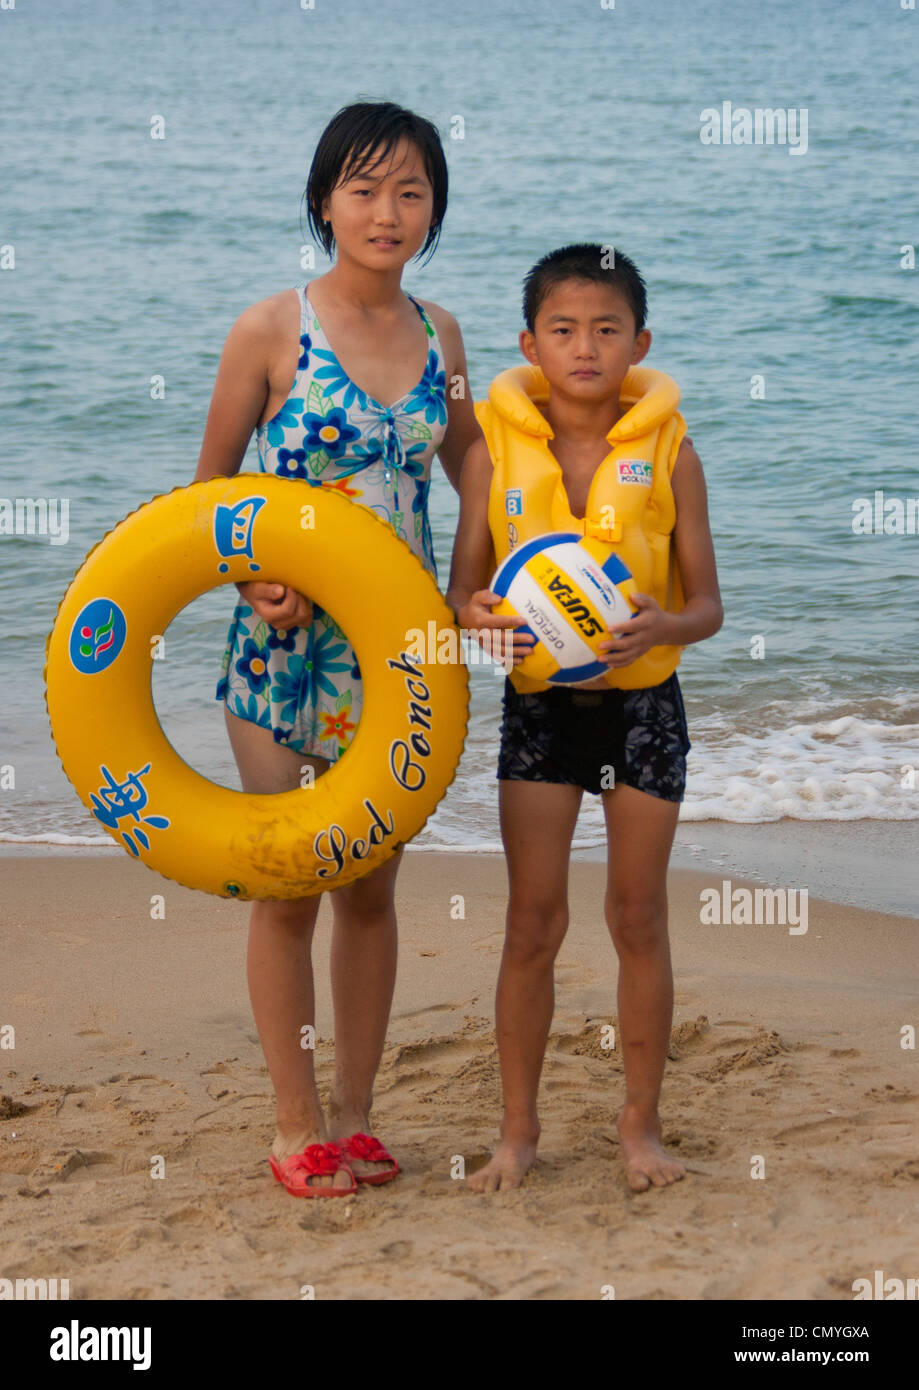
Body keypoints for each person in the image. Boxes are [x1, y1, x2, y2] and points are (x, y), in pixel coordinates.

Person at [194, 102, 480, 1196]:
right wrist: (247, 572)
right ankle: (291, 1123)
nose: (387, 211)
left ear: (433, 211)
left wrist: (466, 585)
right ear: (325, 200)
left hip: (397, 659)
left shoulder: (442, 336)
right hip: (282, 654)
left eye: (411, 192)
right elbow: (211, 490)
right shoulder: (270, 330)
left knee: (369, 890)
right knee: (291, 883)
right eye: (364, 189)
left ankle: (357, 1118)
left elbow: (473, 463)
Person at [446, 243, 723, 1193]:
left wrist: (663, 620)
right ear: (529, 343)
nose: (584, 347)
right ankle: (515, 1134)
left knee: (638, 917)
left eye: (607, 329)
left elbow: (708, 609)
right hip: (541, 715)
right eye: (562, 330)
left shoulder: (672, 453)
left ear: (639, 342)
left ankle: (638, 1128)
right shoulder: (490, 454)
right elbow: (461, 596)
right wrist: (483, 625)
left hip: (645, 707)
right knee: (532, 923)